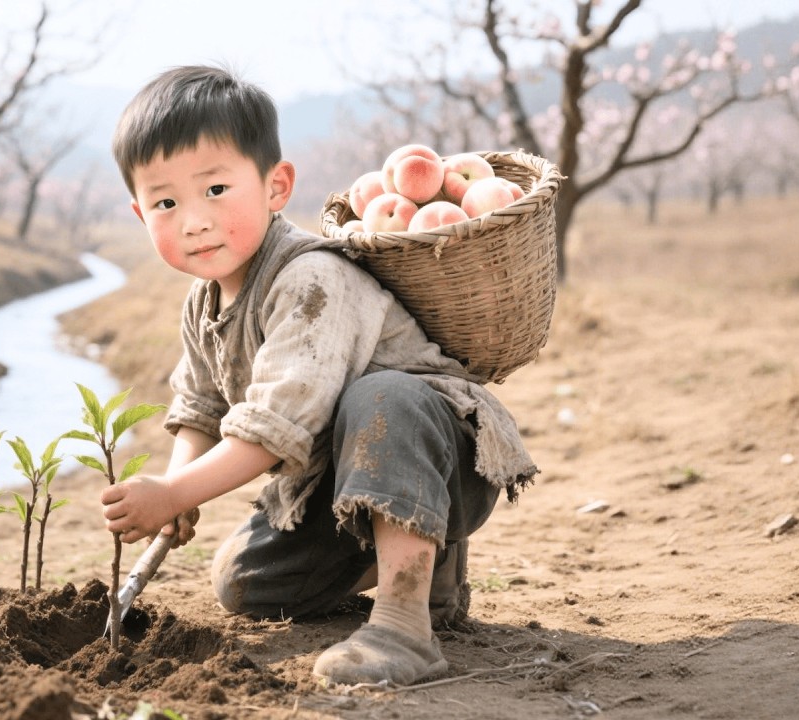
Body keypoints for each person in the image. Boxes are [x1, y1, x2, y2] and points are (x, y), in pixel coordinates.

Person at [101, 64, 537, 686]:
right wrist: (179, 484)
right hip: (333, 484)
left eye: (216, 190)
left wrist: (175, 495)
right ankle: (421, 557)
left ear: (276, 187)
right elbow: (199, 408)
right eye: (165, 203)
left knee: (382, 396)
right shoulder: (203, 305)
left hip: (440, 456)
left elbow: (272, 427)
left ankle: (405, 622)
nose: (193, 220)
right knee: (245, 584)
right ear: (141, 216)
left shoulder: (310, 280)